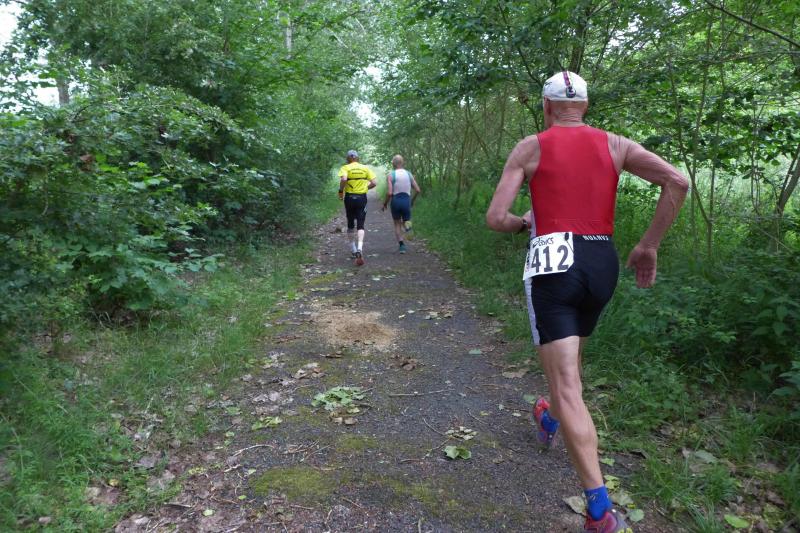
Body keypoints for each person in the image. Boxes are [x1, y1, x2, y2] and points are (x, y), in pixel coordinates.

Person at [486, 71, 688, 533]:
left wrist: (523, 224)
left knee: (567, 385)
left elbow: (496, 218)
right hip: (601, 261)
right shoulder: (615, 144)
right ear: (586, 107)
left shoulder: (530, 147)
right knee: (569, 370)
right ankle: (548, 415)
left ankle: (599, 511)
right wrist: (648, 245)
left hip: (554, 263)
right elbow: (677, 181)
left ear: (546, 107)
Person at [338, 150, 377, 266]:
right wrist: (365, 188)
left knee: (350, 223)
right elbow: (374, 182)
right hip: (361, 198)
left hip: (349, 198)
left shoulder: (345, 167)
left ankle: (353, 250)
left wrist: (341, 191)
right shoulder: (365, 168)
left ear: (348, 158)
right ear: (357, 158)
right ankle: (360, 248)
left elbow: (344, 179)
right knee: (360, 224)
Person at [382, 154, 421, 253]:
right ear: (402, 163)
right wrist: (412, 201)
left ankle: (402, 246)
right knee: (406, 220)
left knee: (397, 223)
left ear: (393, 164)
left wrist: (385, 203)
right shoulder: (409, 174)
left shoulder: (391, 175)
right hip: (406, 201)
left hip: (396, 201)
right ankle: (408, 229)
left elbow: (389, 193)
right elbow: (417, 190)